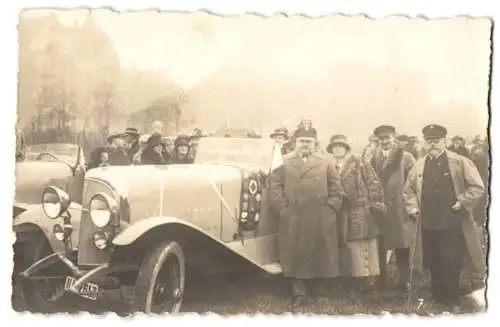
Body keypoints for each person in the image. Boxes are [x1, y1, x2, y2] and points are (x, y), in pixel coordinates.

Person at [403, 124, 485, 311]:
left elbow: (477, 187)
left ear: (444, 141)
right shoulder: (419, 165)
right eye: (429, 141)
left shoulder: (460, 162)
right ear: (424, 143)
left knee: (450, 257)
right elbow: (408, 191)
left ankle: (452, 296)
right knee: (433, 258)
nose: (433, 145)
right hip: (428, 220)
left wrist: (462, 201)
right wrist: (413, 208)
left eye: (436, 141)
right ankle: (437, 293)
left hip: (451, 219)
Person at [269, 126, 345, 307]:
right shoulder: (284, 162)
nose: (305, 145)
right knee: (294, 253)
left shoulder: (325, 162)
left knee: (320, 252)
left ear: (315, 143)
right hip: (293, 215)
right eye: (302, 141)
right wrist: (283, 209)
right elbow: (274, 186)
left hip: (319, 215)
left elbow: (337, 188)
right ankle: (299, 292)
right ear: (295, 142)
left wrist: (330, 209)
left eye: (308, 141)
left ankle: (318, 289)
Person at [326, 134, 386, 293]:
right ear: (331, 150)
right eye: (335, 146)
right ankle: (351, 280)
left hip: (361, 209)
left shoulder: (359, 163)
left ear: (346, 148)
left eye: (341, 146)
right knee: (348, 247)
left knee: (365, 245)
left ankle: (370, 283)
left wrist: (374, 205)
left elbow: (374, 183)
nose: (338, 149)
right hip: (340, 211)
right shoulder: (329, 166)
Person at [370, 125, 416, 292]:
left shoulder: (406, 157)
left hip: (399, 207)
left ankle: (405, 281)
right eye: (381, 139)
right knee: (381, 245)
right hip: (380, 207)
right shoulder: (373, 156)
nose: (384, 142)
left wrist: (408, 201)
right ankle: (382, 281)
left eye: (387, 138)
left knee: (402, 245)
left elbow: (412, 181)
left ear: (393, 138)